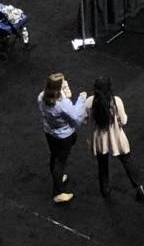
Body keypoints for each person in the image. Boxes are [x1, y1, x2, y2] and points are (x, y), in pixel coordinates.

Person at [87, 78, 144, 201]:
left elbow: (85, 120)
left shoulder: (89, 102)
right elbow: (123, 120)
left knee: (102, 165)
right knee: (126, 160)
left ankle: (105, 190)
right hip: (116, 137)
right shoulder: (116, 101)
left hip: (100, 139)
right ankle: (138, 187)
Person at [40, 71, 88, 205]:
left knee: (54, 156)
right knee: (60, 161)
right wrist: (81, 99)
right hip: (63, 136)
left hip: (49, 132)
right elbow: (76, 117)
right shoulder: (62, 104)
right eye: (63, 84)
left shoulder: (41, 97)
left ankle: (57, 177)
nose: (66, 83)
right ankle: (58, 192)